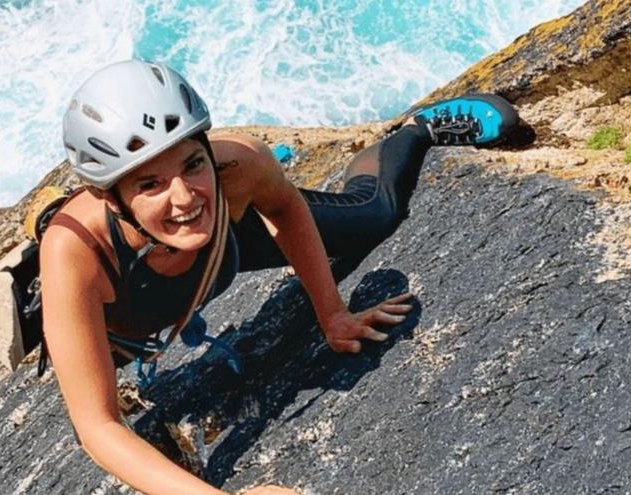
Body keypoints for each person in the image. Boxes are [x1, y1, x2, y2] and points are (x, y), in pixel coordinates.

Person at [39, 59, 518, 494]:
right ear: (110, 198)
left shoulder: (238, 167)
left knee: (375, 216)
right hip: (136, 298)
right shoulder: (76, 253)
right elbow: (98, 426)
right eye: (150, 183)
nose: (184, 197)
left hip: (226, 240)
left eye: (193, 163)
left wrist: (333, 314)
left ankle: (414, 130)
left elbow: (286, 208)